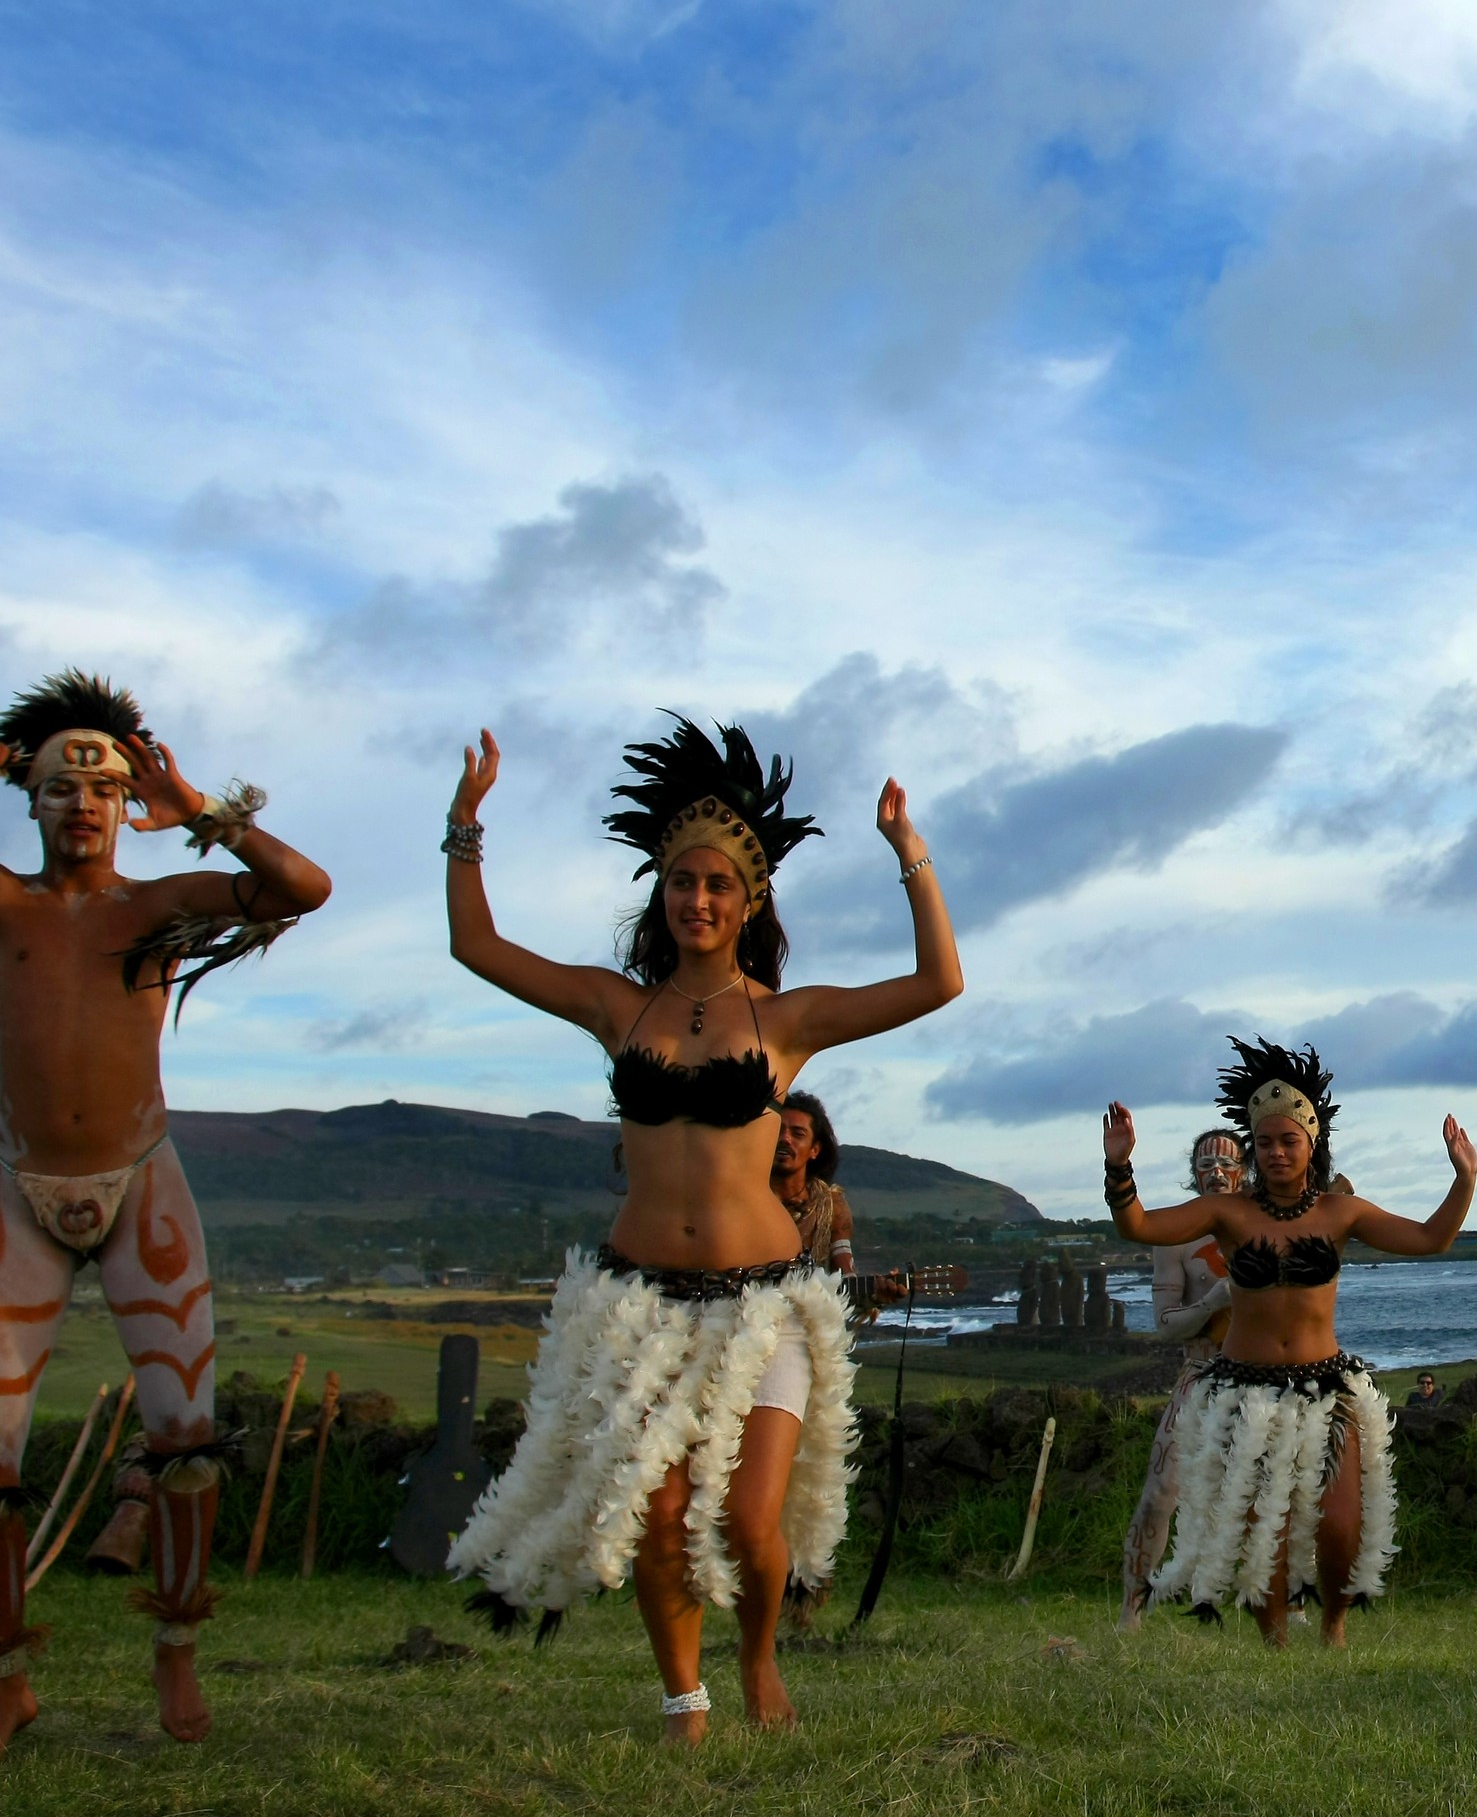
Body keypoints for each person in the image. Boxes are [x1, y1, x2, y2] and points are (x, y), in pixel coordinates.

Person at [442, 716, 960, 1743]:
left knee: (749, 1521)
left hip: (762, 1308)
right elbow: (475, 947)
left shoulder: (785, 1021)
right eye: (682, 881)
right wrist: (465, 826)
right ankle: (685, 1698)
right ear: (661, 892)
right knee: (665, 1518)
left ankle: (760, 1656)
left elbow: (937, 983)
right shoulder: (615, 1008)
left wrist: (910, 854)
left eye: (719, 883)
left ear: (751, 897)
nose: (699, 899)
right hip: (641, 1306)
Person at [0, 671, 332, 1748]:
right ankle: (8, 1672)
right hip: (18, 1183)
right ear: (32, 801)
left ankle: (176, 1653)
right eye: (59, 787)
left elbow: (304, 887)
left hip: (142, 1178)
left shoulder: (155, 906)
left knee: (185, 1439)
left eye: (101, 787)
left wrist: (196, 811)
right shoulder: (4, 906)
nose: (84, 806)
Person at [1101, 1039, 1476, 1647]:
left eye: (1289, 1141)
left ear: (1312, 1145)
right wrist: (1120, 1167)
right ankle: (1274, 1637)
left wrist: (1465, 1178)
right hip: (1242, 1392)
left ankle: (1333, 1627)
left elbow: (1432, 1238)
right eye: (1266, 1143)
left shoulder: (1340, 1212)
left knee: (1340, 1524)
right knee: (1257, 1531)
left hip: (1324, 1387)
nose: (1276, 1153)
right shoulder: (1227, 1212)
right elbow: (1138, 1225)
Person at [1117, 1128, 1242, 1630]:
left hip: (1265, 1374)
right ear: (1193, 1173)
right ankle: (1132, 1607)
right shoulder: (1175, 1235)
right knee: (1161, 1493)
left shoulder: (1269, 1224)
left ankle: (1290, 1602)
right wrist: (1213, 1302)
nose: (1216, 1172)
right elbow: (1165, 1325)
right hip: (1201, 1371)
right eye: (1206, 1164)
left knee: (1284, 1486)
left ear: (1244, 1170)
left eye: (1227, 1164)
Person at [771, 1091, 904, 1317]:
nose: (785, 1139)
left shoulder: (831, 1206)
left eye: (797, 1133)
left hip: (797, 1332)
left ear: (815, 1150)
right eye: (778, 1131)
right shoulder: (742, 1198)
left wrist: (875, 1296)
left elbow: (845, 1282)